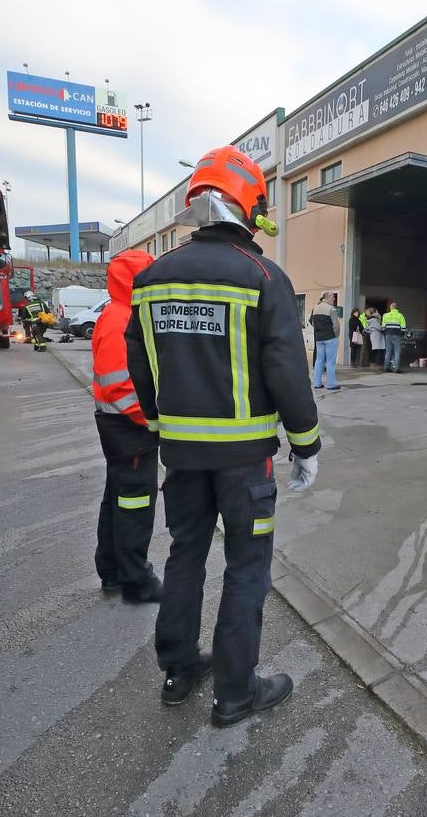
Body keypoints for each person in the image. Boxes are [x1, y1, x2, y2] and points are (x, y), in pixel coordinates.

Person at [125, 144, 321, 727]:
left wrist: (162, 429)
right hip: (245, 464)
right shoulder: (263, 277)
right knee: (246, 568)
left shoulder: (152, 278)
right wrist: (306, 445)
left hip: (180, 458)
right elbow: (288, 371)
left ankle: (179, 671)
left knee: (186, 554)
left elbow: (141, 368)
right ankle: (236, 693)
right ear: (248, 203)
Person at [92, 250, 163, 604]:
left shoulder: (117, 313)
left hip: (117, 425)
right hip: (128, 426)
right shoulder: (123, 320)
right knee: (135, 502)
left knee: (117, 499)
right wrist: (151, 419)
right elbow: (121, 385)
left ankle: (112, 572)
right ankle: (136, 580)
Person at [310, 292, 340, 390]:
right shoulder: (332, 309)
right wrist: (336, 336)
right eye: (332, 297)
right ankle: (331, 384)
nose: (334, 299)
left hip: (319, 339)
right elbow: (336, 325)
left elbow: (312, 322)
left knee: (319, 361)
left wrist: (318, 331)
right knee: (330, 362)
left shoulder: (315, 309)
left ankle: (317, 383)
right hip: (330, 338)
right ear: (327, 298)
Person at [382, 300, 407, 372]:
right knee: (397, 351)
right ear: (396, 308)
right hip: (397, 335)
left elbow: (383, 327)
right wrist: (402, 333)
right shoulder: (400, 315)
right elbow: (403, 326)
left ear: (390, 307)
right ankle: (396, 369)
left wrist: (385, 333)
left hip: (388, 335)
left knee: (388, 351)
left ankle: (386, 367)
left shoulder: (385, 315)